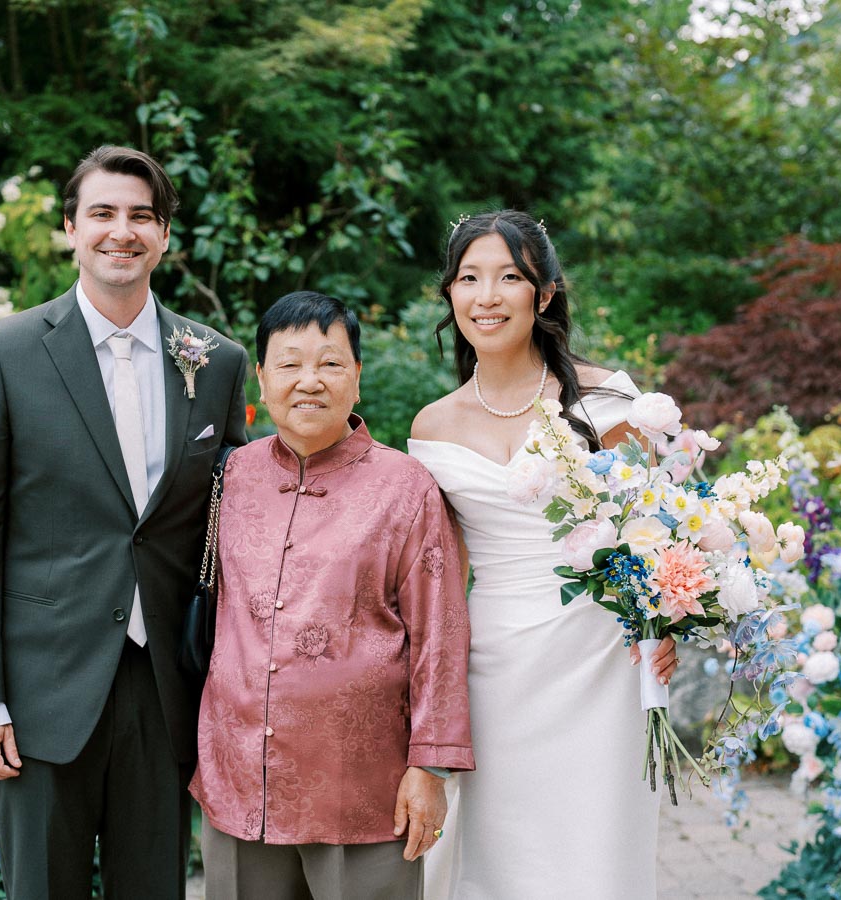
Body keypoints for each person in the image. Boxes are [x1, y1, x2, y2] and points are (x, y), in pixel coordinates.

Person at [0, 144, 249, 900]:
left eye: (142, 216)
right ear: (70, 229)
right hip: (40, 691)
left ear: (165, 235)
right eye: (103, 214)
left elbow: (233, 524)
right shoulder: (4, 354)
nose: (123, 231)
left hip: (167, 687)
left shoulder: (214, 361)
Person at [408, 210, 679, 899]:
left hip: (598, 663)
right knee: (496, 857)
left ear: (546, 293)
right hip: (492, 665)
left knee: (594, 856)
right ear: (450, 294)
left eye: (509, 277)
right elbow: (441, 574)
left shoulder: (611, 400)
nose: (487, 296)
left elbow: (662, 532)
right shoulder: (432, 425)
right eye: (469, 278)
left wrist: (664, 624)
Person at [191, 291, 474, 900]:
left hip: (362, 790)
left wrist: (430, 766)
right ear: (262, 380)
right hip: (239, 779)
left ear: (357, 378)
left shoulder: (405, 488)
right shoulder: (230, 477)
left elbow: (441, 634)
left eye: (330, 363)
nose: (309, 381)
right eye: (290, 365)